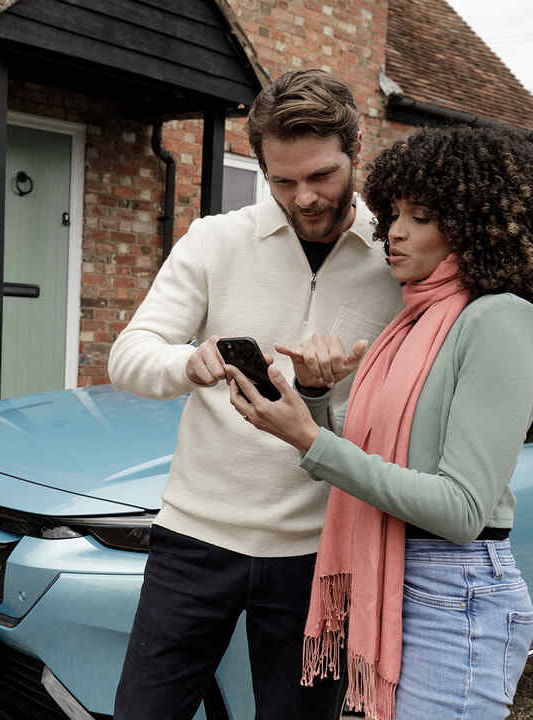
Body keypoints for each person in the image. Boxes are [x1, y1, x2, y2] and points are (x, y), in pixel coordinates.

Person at [107, 68, 402, 719]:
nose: (304, 198)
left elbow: (406, 411)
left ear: (357, 151)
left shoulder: (396, 259)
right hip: (193, 542)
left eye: (322, 176)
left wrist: (327, 397)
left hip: (322, 556)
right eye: (283, 180)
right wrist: (194, 362)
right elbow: (128, 358)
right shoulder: (215, 239)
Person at [225, 124, 533, 720]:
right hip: (396, 576)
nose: (393, 230)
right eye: (393, 211)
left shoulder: (499, 320)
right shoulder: (410, 323)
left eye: (421, 216)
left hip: (455, 593)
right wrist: (311, 403)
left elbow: (460, 509)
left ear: (476, 224)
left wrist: (310, 440)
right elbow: (374, 468)